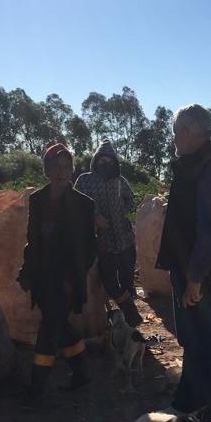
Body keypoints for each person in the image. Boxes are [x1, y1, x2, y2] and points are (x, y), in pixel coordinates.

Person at [156, 104, 211, 422]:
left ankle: (207, 416)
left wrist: (195, 278)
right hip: (186, 266)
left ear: (191, 132)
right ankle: (187, 402)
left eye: (177, 132)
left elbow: (210, 228)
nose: (174, 139)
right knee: (191, 337)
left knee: (204, 338)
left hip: (196, 270)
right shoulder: (194, 164)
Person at [17, 143, 97, 409]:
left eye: (66, 166)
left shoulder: (83, 205)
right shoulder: (37, 200)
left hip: (66, 280)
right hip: (42, 277)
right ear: (46, 170)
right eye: (56, 166)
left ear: (73, 170)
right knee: (59, 324)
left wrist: (75, 277)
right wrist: (26, 271)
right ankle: (83, 372)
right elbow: (32, 241)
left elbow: (89, 248)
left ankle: (36, 389)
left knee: (49, 328)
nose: (62, 172)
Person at [74, 140, 141, 326]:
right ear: (95, 161)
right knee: (109, 280)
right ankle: (130, 311)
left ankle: (129, 326)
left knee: (127, 280)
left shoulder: (120, 181)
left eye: (109, 161)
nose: (105, 164)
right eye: (101, 160)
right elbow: (77, 204)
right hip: (101, 241)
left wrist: (123, 212)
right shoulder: (84, 180)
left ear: (115, 162)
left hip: (124, 239)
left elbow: (132, 201)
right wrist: (94, 217)